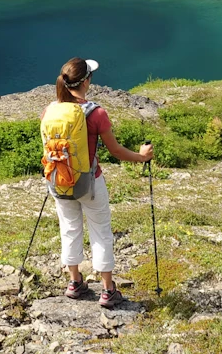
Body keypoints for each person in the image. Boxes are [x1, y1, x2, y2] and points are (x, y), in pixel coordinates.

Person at [43, 57, 153, 308]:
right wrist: (142, 157)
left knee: (69, 229)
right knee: (101, 231)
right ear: (87, 81)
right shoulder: (96, 113)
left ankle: (74, 283)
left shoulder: (50, 110)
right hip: (90, 182)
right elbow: (116, 151)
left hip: (59, 180)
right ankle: (107, 290)